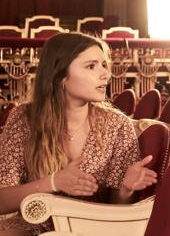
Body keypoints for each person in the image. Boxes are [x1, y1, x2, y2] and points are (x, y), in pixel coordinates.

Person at [0, 33, 157, 236]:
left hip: (90, 229)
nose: (105, 74)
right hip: (33, 226)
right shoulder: (24, 118)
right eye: (91, 66)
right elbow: (2, 201)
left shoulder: (118, 126)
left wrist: (126, 189)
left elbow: (119, 217)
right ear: (60, 76)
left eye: (103, 65)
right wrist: (54, 182)